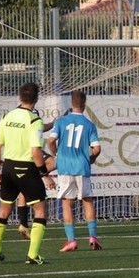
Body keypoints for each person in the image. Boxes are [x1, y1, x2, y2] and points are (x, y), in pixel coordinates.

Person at [0, 82, 55, 264]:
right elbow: (36, 152)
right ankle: (33, 255)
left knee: (4, 209)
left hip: (8, 168)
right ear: (36, 98)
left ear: (20, 97)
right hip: (26, 169)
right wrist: (46, 175)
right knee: (41, 210)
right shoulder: (34, 120)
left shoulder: (7, 117)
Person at [48, 90, 102, 252]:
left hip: (65, 167)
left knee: (67, 203)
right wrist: (92, 158)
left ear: (71, 104)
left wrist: (56, 154)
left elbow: (51, 140)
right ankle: (92, 237)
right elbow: (97, 149)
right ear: (84, 105)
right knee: (87, 201)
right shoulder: (89, 124)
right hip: (82, 166)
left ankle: (71, 240)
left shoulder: (62, 121)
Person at [17, 108, 57, 239]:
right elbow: (39, 127)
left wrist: (52, 123)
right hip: (31, 153)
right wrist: (45, 175)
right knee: (54, 161)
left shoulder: (17, 118)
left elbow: (41, 127)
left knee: (23, 189)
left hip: (18, 157)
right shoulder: (32, 117)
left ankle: (23, 224)